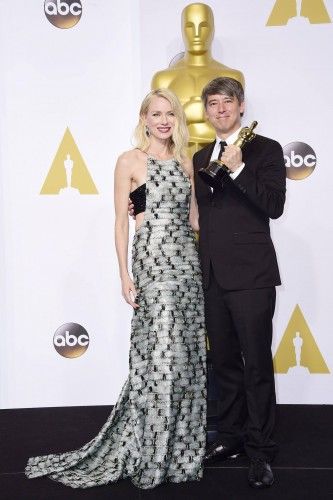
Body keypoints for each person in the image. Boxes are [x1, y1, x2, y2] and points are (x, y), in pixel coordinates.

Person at [25, 89, 207, 489]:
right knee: (158, 357)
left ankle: (180, 451)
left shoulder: (186, 162)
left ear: (178, 120)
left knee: (185, 357)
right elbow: (122, 222)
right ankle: (151, 450)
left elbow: (195, 218)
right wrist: (124, 274)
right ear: (143, 117)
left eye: (170, 114)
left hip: (186, 266)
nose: (163, 121)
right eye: (156, 114)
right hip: (152, 263)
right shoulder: (129, 161)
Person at [194, 77, 286, 489]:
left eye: (226, 102)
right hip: (211, 275)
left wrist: (240, 167)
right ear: (207, 111)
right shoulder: (198, 157)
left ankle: (261, 450)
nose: (220, 109)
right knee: (226, 364)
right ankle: (230, 437)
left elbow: (274, 206)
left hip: (251, 276)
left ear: (241, 105)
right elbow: (199, 215)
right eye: (212, 103)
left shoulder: (265, 150)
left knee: (256, 366)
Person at [151, 2, 244, 155]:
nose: (196, 33)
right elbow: (157, 123)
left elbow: (234, 121)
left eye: (204, 26)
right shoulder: (163, 79)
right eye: (189, 26)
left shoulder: (233, 76)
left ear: (213, 29)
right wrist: (186, 111)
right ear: (182, 30)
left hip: (221, 159)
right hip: (176, 157)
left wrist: (191, 111)